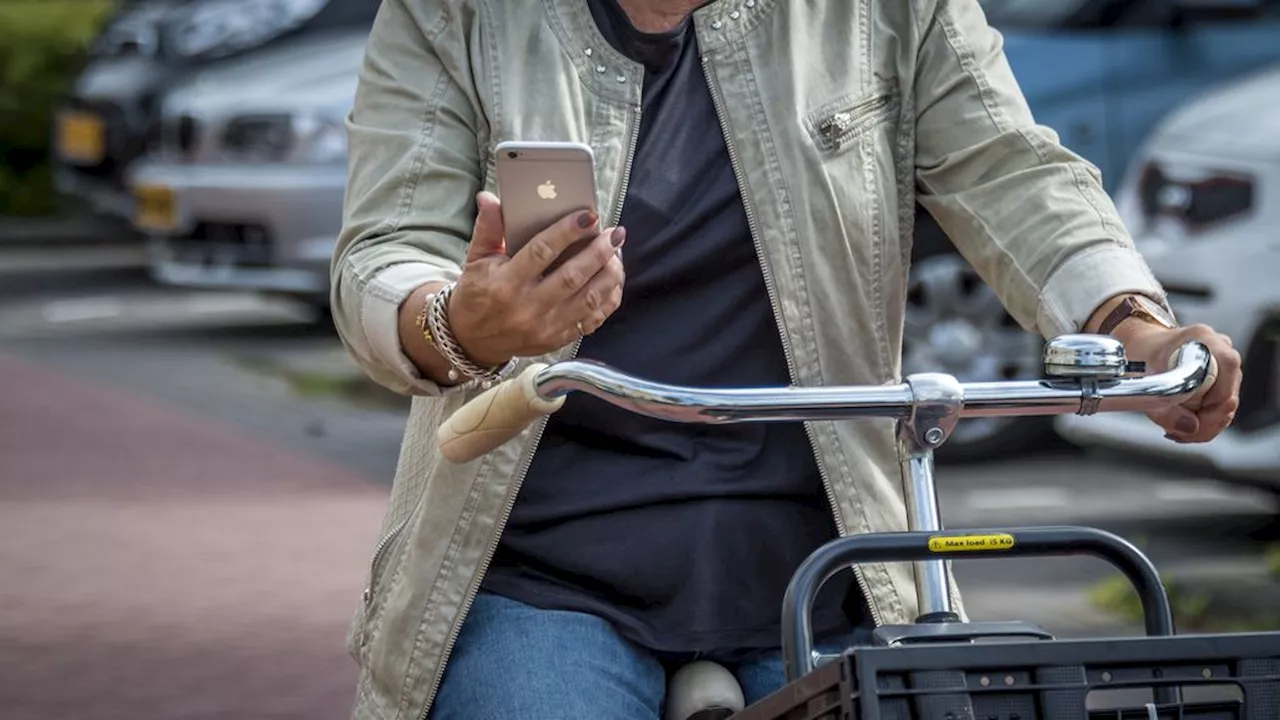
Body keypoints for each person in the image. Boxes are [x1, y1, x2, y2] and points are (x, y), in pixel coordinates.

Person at [330, 1, 1243, 718]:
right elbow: (383, 249)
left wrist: (1133, 323)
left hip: (833, 563)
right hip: (543, 569)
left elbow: (1014, 170)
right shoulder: (451, 10)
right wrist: (463, 323)